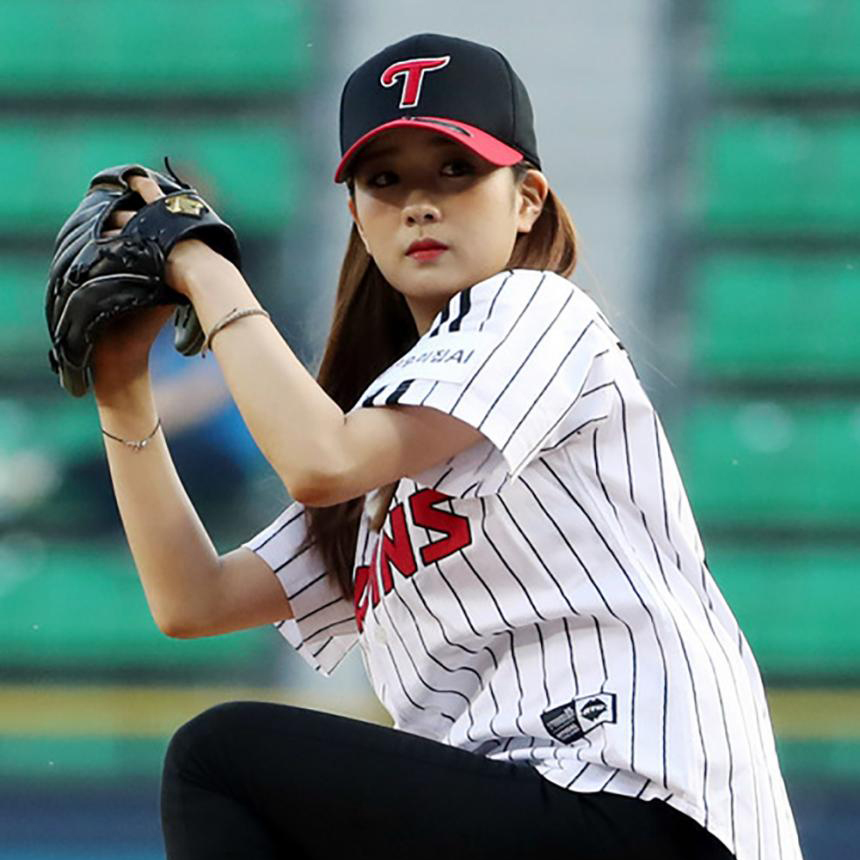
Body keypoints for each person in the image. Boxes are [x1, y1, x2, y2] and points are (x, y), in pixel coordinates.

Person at [90, 33, 803, 860]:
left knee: (219, 762)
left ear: (528, 199)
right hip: (529, 811)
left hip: (644, 800)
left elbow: (319, 460)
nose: (420, 203)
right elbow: (195, 600)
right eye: (385, 180)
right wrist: (119, 379)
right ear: (355, 214)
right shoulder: (385, 440)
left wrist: (203, 269)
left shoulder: (539, 310)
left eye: (456, 171)